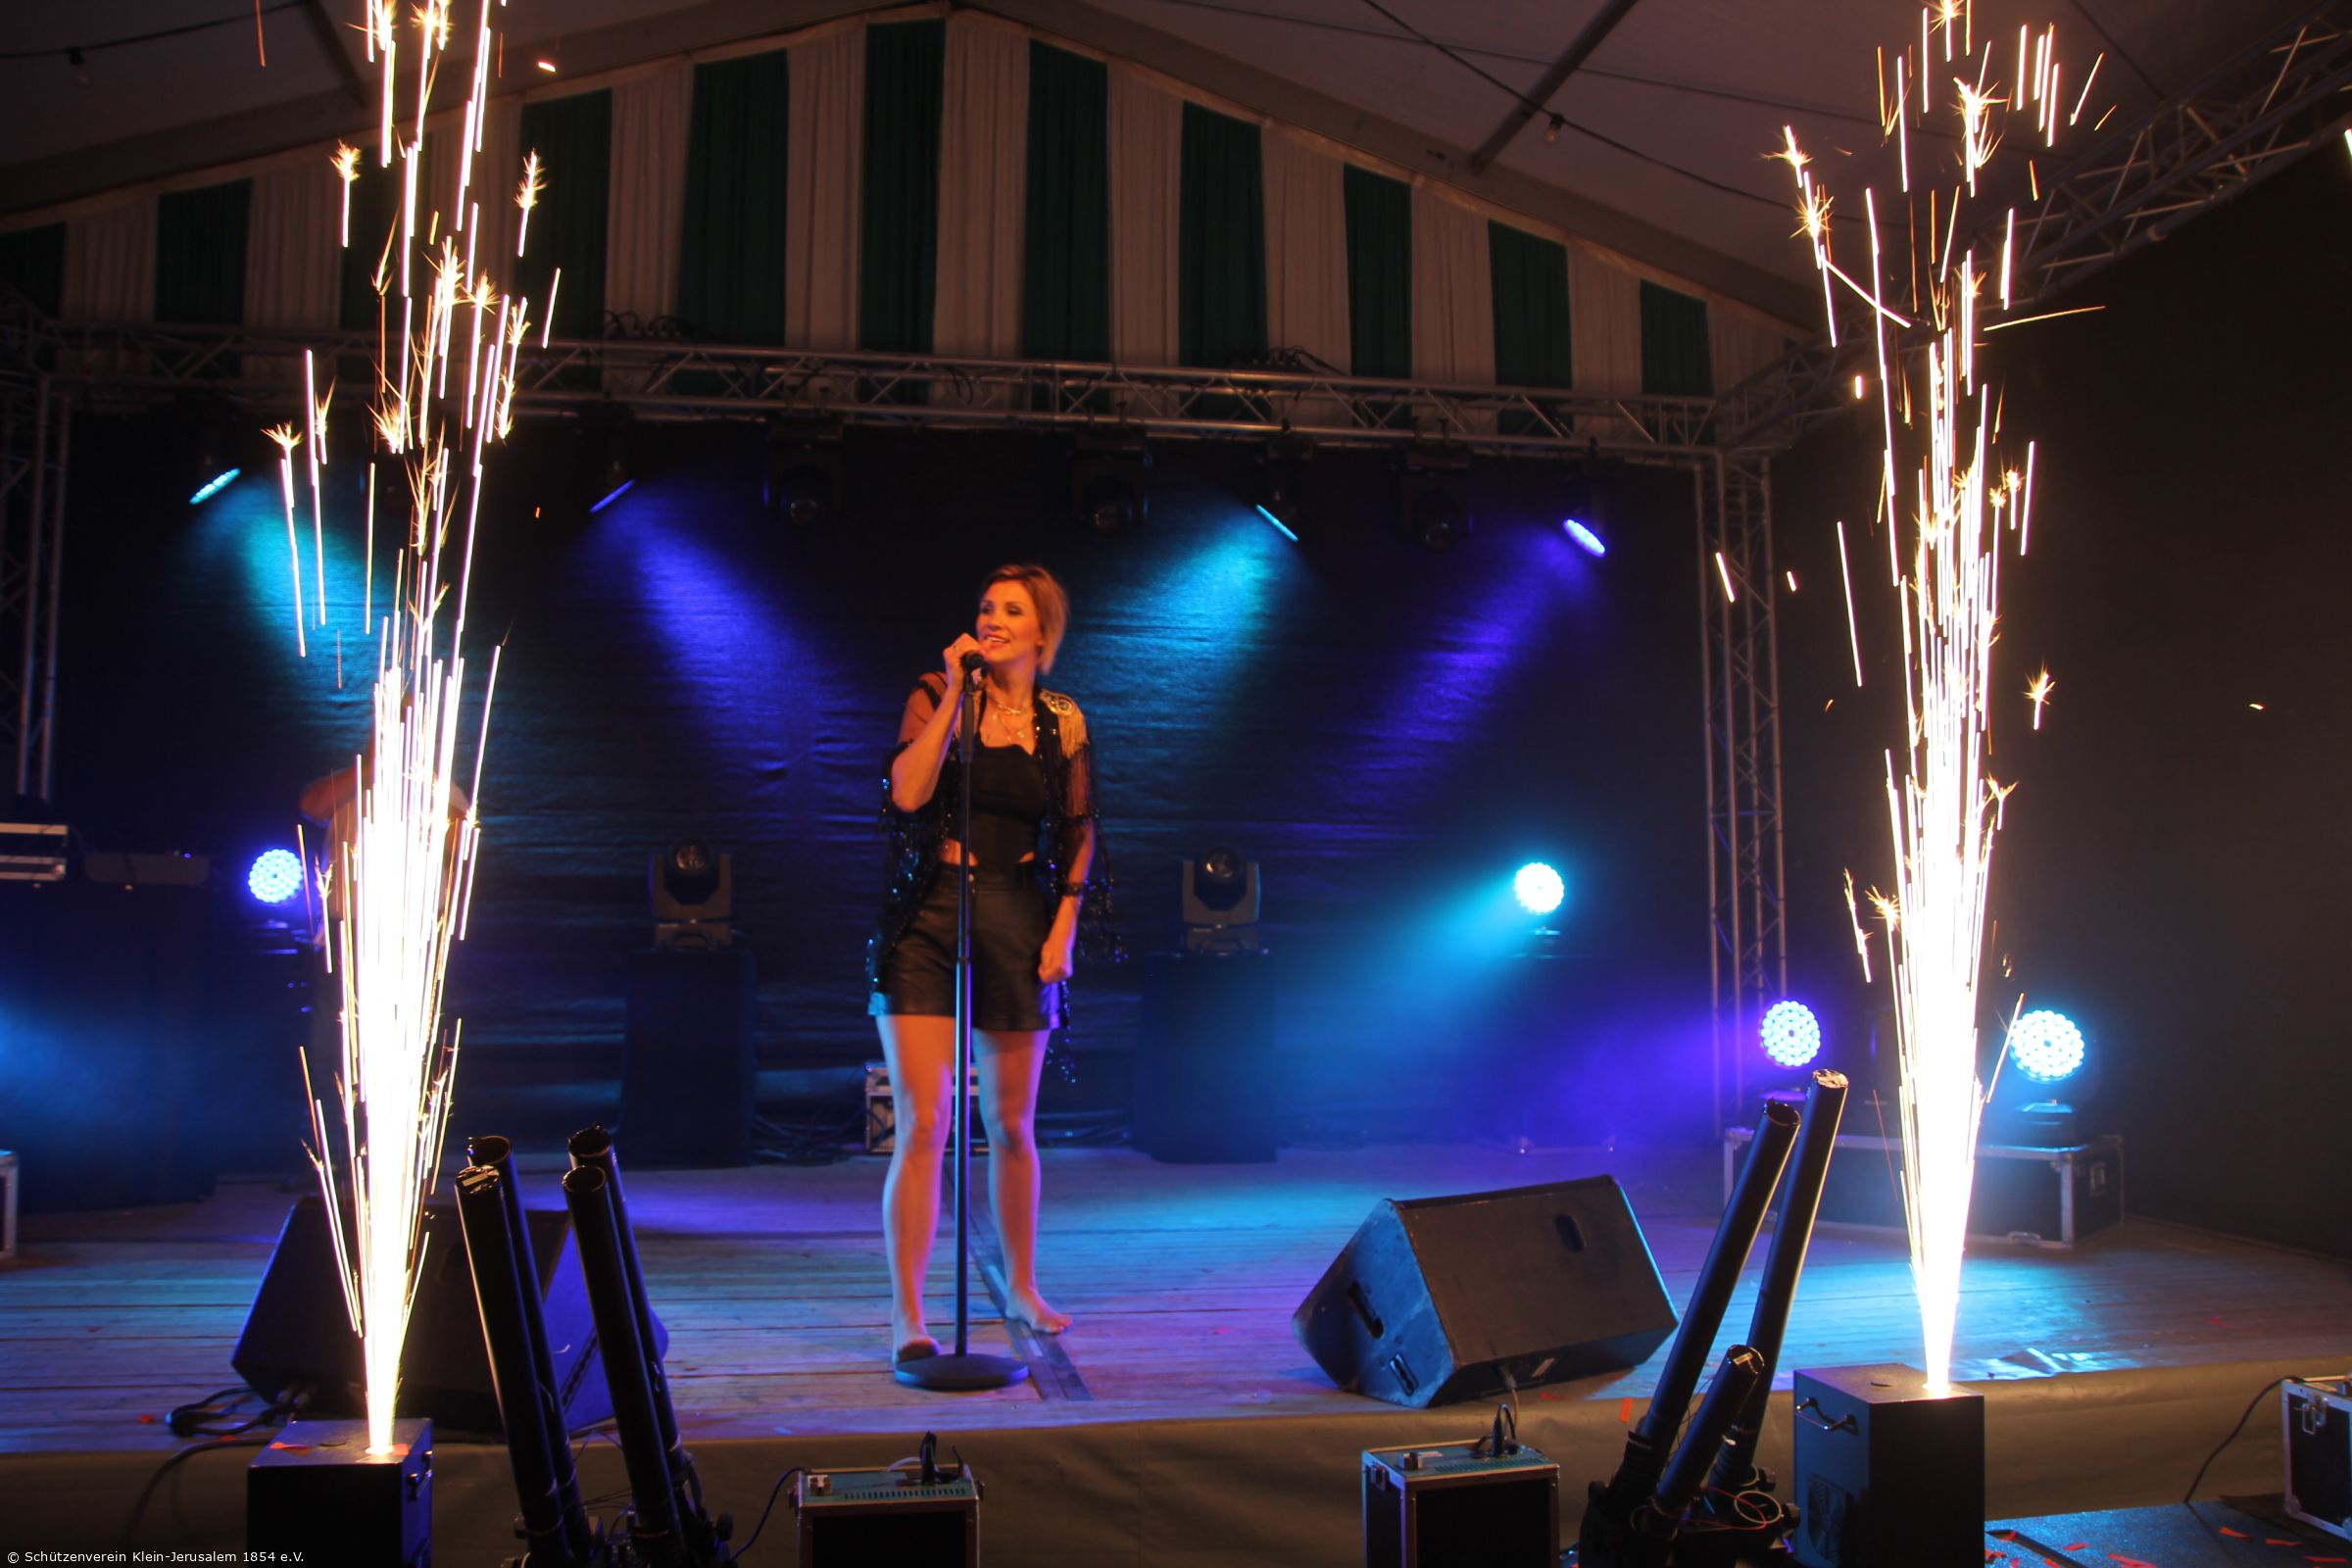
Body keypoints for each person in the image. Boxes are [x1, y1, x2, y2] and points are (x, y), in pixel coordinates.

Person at [867, 564, 1105, 1366]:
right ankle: (907, 1314)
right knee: (924, 1121)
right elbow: (907, 793)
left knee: (1009, 1124)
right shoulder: (938, 691)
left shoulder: (1059, 719)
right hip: (928, 912)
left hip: (1016, 912)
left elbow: (1080, 831)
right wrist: (956, 702)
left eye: (1012, 610)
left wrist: (1063, 927)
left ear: (1042, 633)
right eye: (986, 607)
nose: (994, 619)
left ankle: (1023, 1287)